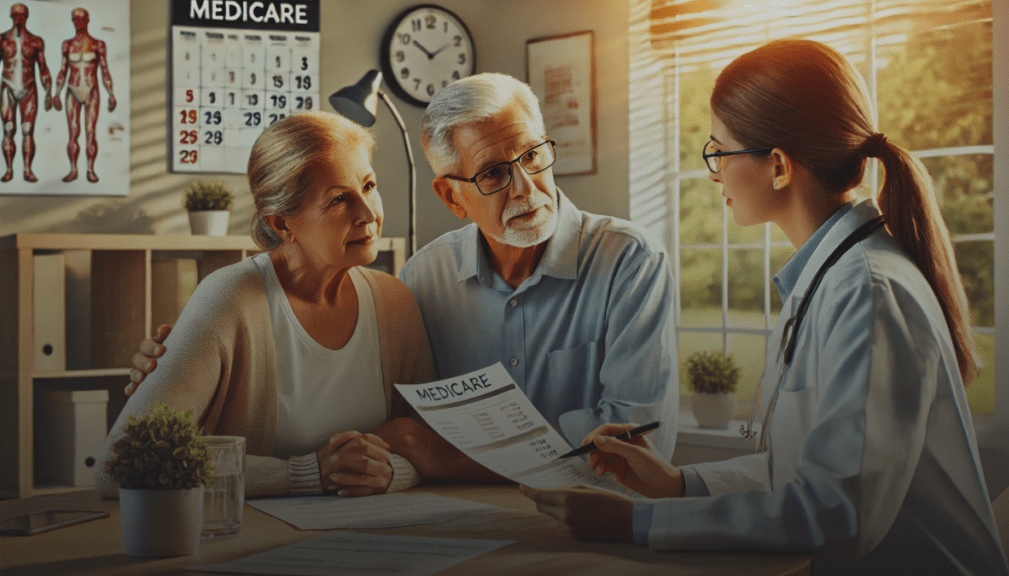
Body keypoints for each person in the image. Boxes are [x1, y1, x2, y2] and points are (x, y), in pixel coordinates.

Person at [520, 39, 1009, 575]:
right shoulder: (828, 277)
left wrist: (634, 523)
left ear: (777, 166)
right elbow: (804, 473)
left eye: (718, 152)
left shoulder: (867, 293)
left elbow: (836, 514)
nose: (713, 175)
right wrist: (678, 484)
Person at [129, 72, 681, 483]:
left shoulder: (629, 263)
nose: (527, 188)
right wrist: (174, 369)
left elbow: (635, 452)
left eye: (534, 155)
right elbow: (136, 454)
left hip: (574, 525)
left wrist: (427, 462)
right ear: (450, 196)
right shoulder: (422, 280)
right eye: (493, 173)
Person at [96, 110, 436, 500]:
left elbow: (434, 444)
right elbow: (120, 465)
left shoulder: (396, 302)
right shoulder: (229, 299)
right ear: (281, 224)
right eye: (340, 199)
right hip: (253, 543)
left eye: (369, 185)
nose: (368, 214)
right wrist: (307, 474)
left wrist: (391, 472)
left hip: (379, 538)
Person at [52, 7, 117, 183]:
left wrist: (111, 93)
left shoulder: (97, 44)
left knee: (90, 132)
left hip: (91, 90)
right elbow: (63, 70)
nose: (77, 22)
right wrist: (56, 93)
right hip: (72, 90)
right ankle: (73, 169)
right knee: (73, 133)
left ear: (87, 20)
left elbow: (104, 70)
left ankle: (90, 170)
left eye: (81, 19)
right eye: (75, 19)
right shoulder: (67, 44)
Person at [0, 3, 55, 183]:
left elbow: (43, 69)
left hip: (29, 87)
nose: (18, 19)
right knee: (8, 129)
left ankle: (28, 169)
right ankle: (9, 170)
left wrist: (49, 92)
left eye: (22, 15)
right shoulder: (1, 40)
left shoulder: (36, 41)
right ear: (11, 16)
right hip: (8, 86)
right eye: (16, 15)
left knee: (28, 130)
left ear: (26, 17)